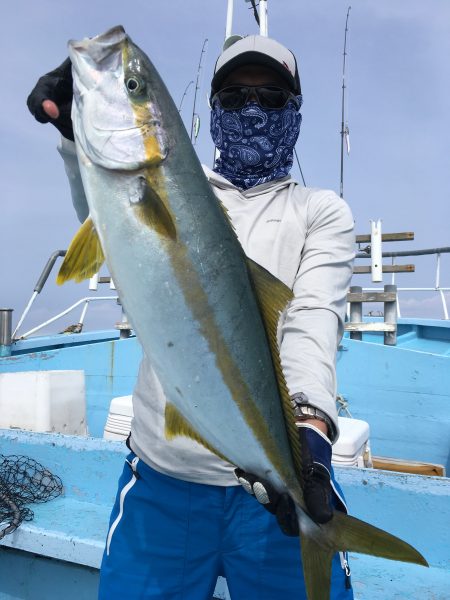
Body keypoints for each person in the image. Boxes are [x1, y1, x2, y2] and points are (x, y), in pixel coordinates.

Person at [27, 34, 355, 599]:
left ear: (295, 111)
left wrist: (310, 432)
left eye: (271, 98)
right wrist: (73, 139)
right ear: (208, 112)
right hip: (162, 481)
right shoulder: (186, 185)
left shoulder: (319, 211)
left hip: (270, 492)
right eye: (233, 98)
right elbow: (116, 231)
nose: (251, 110)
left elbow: (311, 321)